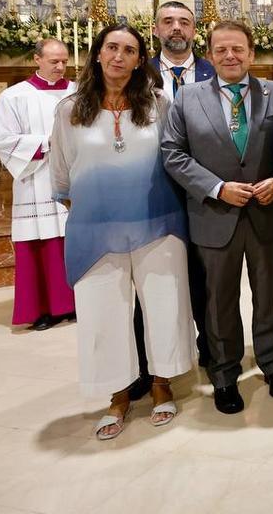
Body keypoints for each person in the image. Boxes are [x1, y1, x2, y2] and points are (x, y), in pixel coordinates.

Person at [48, 24, 192, 441]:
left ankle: (162, 382)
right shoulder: (70, 108)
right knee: (103, 312)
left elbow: (175, 158)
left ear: (139, 59)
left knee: (165, 306)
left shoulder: (160, 104)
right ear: (97, 54)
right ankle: (118, 393)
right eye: (112, 48)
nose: (119, 56)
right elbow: (62, 172)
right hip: (96, 227)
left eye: (129, 50)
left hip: (158, 222)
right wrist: (94, 209)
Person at [161, 21, 273, 414]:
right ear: (211, 54)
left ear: (252, 54)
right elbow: (173, 153)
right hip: (214, 215)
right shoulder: (186, 98)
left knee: (269, 296)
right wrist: (218, 188)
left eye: (238, 49)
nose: (230, 57)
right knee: (219, 301)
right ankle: (224, 374)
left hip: (265, 214)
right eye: (221, 50)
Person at [0, 38, 76, 330]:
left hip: (74, 178)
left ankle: (74, 303)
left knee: (72, 240)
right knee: (41, 243)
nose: (60, 66)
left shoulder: (77, 92)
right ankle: (42, 309)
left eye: (64, 61)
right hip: (35, 179)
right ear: (37, 59)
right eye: (54, 61)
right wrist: (47, 143)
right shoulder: (14, 97)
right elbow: (3, 140)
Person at [149, 0, 214, 377]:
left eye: (184, 22)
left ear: (194, 30)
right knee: (156, 278)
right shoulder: (139, 75)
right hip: (155, 188)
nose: (177, 28)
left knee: (205, 275)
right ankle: (158, 357)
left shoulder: (213, 71)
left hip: (205, 188)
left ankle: (211, 345)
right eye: (168, 22)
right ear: (156, 29)